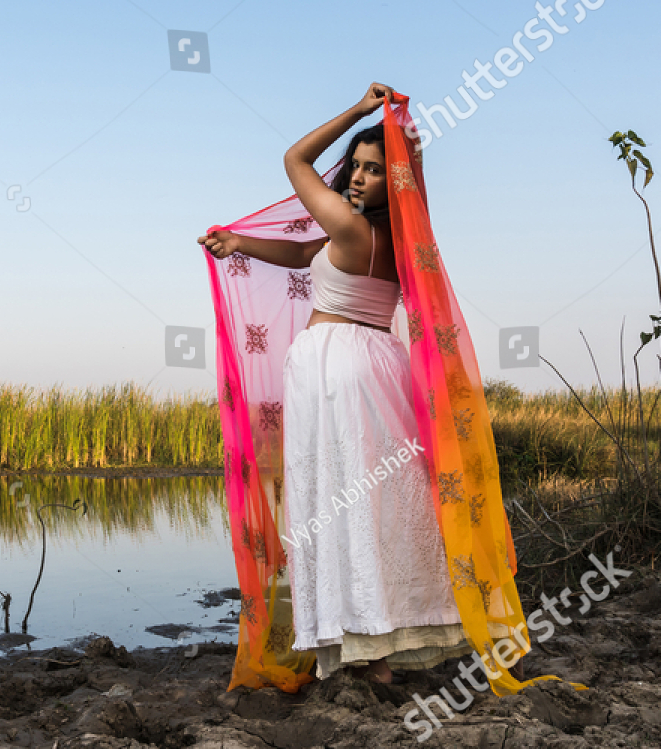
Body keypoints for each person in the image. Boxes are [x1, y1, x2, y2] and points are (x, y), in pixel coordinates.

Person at [198, 83, 477, 685]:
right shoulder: (399, 240)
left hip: (334, 364)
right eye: (355, 166)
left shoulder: (351, 229)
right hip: (378, 360)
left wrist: (357, 111)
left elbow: (294, 160)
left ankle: (363, 643)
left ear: (392, 182)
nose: (355, 178)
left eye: (375, 171)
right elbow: (306, 258)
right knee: (375, 493)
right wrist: (241, 242)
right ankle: (377, 636)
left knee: (334, 492)